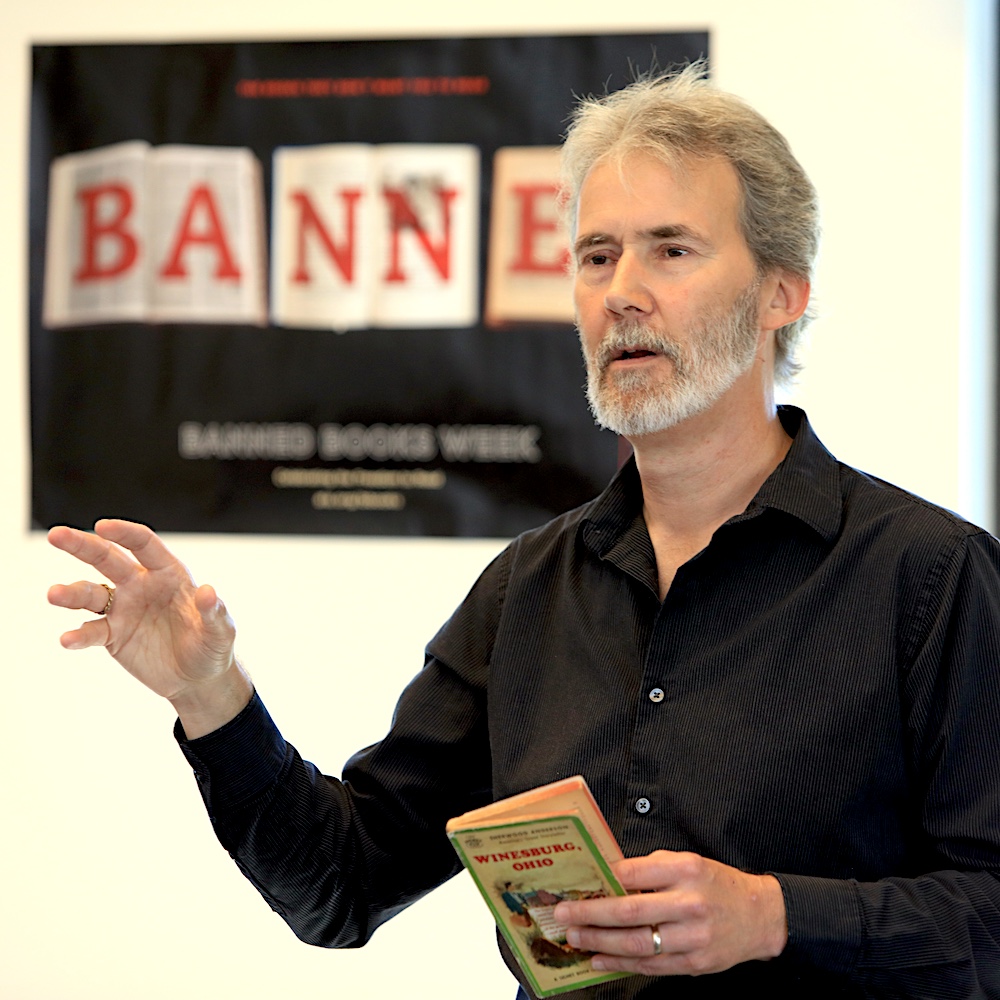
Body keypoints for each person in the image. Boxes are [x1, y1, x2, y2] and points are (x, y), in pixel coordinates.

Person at [47, 63, 1000, 998]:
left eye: (671, 249)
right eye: (598, 256)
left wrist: (776, 915)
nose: (622, 290)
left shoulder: (931, 576)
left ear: (780, 294)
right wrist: (212, 695)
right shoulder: (530, 588)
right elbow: (342, 885)